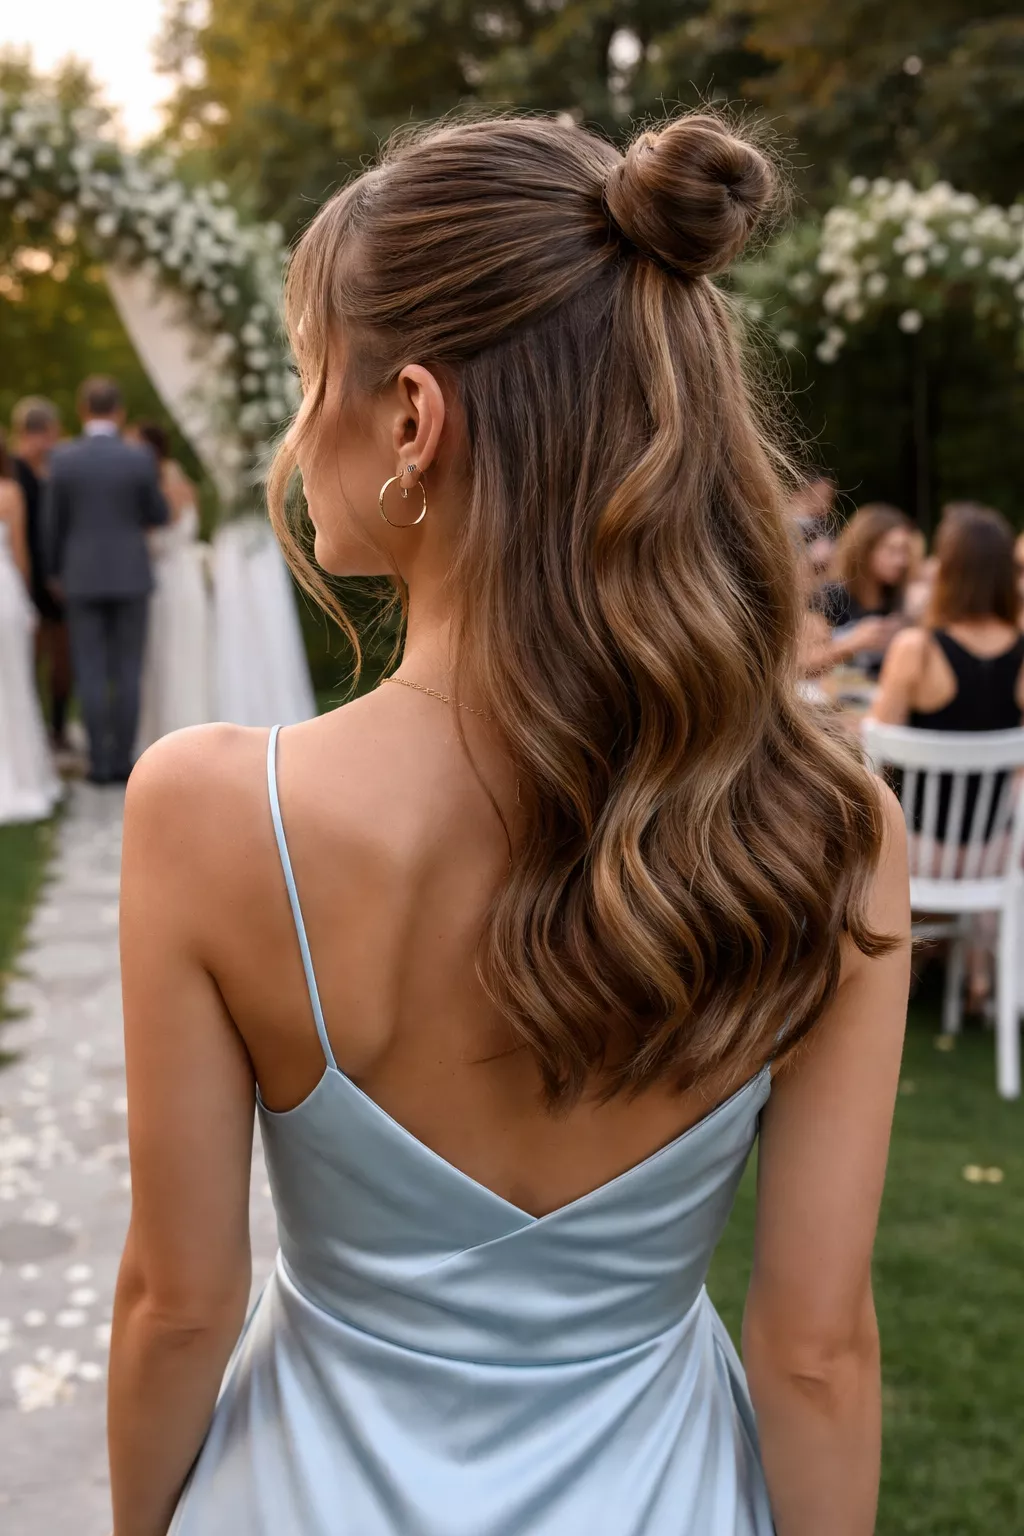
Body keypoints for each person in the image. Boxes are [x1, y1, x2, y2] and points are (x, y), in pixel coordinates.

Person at [109, 115, 910, 1536]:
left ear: (413, 419)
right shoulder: (828, 828)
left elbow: (179, 1308)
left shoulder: (211, 813)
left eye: (315, 379)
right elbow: (817, 1351)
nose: (304, 427)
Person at [43, 377, 169, 784]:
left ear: (83, 410)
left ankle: (99, 764)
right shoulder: (138, 458)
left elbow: (51, 525)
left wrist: (52, 572)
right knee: (128, 671)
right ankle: (124, 762)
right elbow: (160, 513)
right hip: (131, 576)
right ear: (119, 412)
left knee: (92, 669)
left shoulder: (62, 459)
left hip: (80, 578)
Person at [134, 423, 213, 750]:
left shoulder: (161, 488)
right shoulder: (188, 486)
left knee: (166, 654)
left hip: (167, 581)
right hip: (189, 581)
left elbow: (157, 542)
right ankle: (194, 723)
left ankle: (169, 732)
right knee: (188, 652)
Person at [0, 434, 61, 823]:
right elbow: (20, 554)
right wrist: (25, 596)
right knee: (15, 682)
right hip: (4, 592)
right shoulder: (10, 492)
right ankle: (21, 775)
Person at [10, 397, 72, 751]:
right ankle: (28, 734)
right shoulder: (12, 469)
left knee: (63, 661)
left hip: (59, 578)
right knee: (26, 658)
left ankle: (59, 728)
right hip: (22, 578)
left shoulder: (61, 467)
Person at [817, 503, 914, 676]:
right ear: (864, 550)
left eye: (905, 551)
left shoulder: (898, 598)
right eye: (892, 550)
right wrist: (854, 642)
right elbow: (800, 663)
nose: (901, 561)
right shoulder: (829, 597)